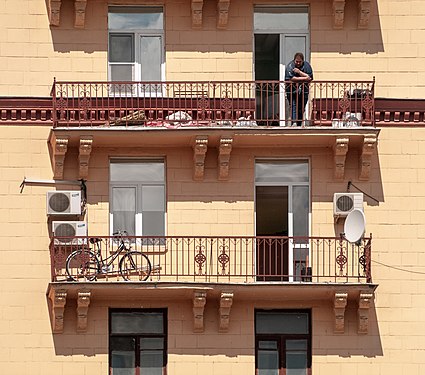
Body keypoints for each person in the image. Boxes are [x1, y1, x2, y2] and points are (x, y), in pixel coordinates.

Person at [285, 52, 313, 126]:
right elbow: (291, 78)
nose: (298, 63)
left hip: (304, 90)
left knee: (301, 106)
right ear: (294, 60)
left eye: (300, 62)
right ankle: (294, 122)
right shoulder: (290, 66)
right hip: (292, 90)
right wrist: (305, 78)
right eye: (296, 61)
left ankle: (300, 122)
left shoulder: (307, 66)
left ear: (302, 61)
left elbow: (310, 78)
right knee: (293, 105)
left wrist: (299, 72)